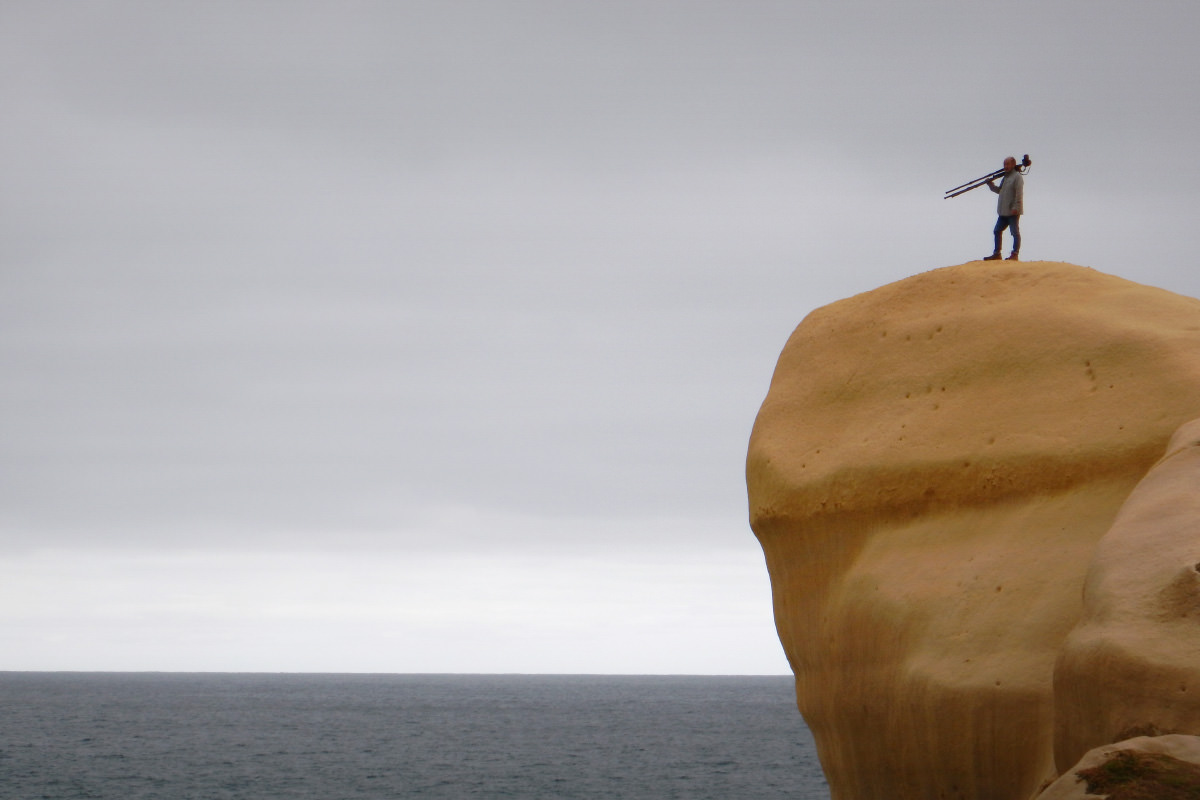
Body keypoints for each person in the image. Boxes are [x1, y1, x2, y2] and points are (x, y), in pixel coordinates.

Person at [983, 156, 1024, 261]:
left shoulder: (1017, 177)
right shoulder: (1005, 178)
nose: (1005, 166)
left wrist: (1016, 207)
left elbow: (1019, 194)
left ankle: (1015, 254)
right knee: (997, 231)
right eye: (1004, 164)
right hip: (1003, 212)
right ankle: (997, 254)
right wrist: (990, 185)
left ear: (1013, 165)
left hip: (1013, 211)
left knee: (1014, 232)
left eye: (1007, 164)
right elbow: (999, 191)